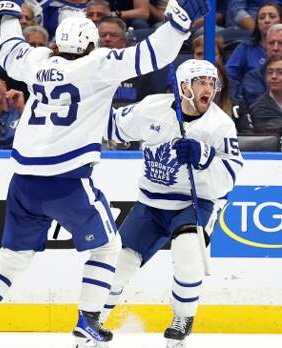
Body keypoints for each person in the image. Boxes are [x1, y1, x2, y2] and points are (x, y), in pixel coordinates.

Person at [0, 0, 210, 344]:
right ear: (91, 45)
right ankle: (88, 319)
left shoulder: (38, 60)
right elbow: (154, 53)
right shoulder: (99, 63)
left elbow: (9, 50)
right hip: (67, 181)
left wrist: (8, 14)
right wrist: (179, 22)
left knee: (13, 256)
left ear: (57, 44)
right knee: (108, 248)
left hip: (23, 181)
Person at [104, 59, 243, 347]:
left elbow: (228, 180)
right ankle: (95, 321)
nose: (209, 87)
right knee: (120, 264)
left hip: (196, 204)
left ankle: (183, 318)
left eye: (211, 82)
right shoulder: (152, 108)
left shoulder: (220, 125)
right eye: (201, 81)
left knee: (188, 253)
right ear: (183, 87)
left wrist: (205, 157)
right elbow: (113, 127)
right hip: (151, 203)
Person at [226, 3, 281, 102]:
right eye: (262, 17)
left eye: (272, 16)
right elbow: (229, 75)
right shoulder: (245, 48)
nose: (267, 20)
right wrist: (236, 100)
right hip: (252, 101)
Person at [248, 54, 282, 134]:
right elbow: (274, 133)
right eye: (270, 72)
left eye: (280, 72)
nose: (273, 76)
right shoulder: (259, 108)